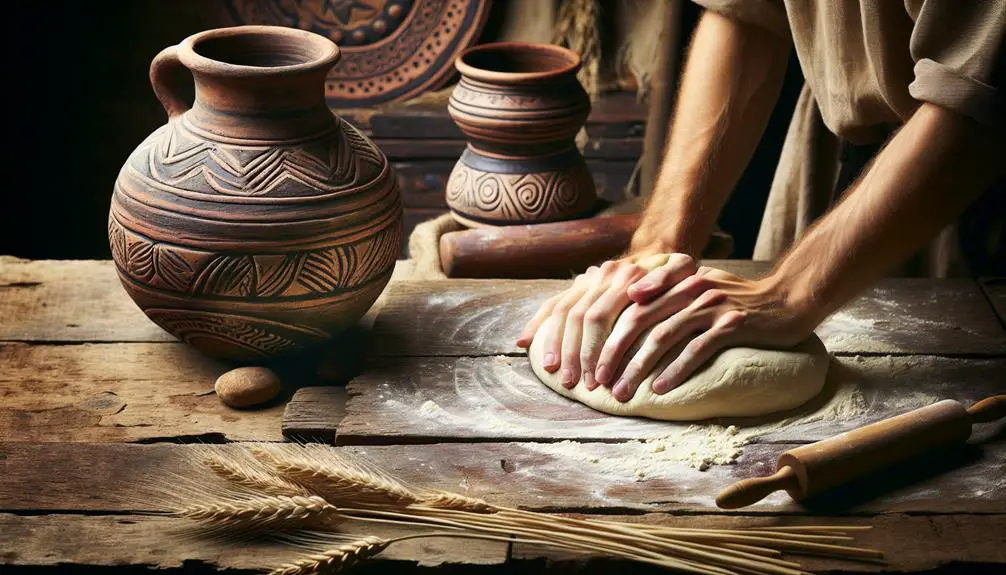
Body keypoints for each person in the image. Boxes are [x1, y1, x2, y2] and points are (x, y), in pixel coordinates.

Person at [516, 1, 1005, 404]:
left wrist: (791, 293)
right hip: (838, 160)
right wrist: (660, 246)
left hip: (971, 196)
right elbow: (744, 14)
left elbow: (976, 99)